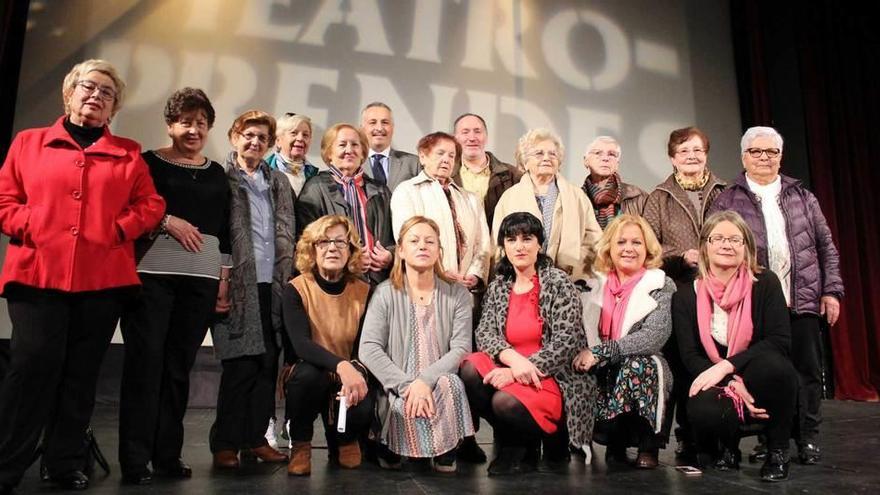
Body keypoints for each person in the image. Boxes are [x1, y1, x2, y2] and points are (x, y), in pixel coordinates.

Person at [0, 59, 165, 492]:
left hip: (102, 282)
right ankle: (6, 466)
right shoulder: (29, 142)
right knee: (31, 368)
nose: (95, 96)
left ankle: (64, 461)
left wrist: (118, 229)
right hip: (37, 275)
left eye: (106, 93)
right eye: (88, 87)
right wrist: (33, 224)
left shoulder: (128, 152)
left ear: (114, 108)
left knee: (81, 374)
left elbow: (151, 204)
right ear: (69, 93)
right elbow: (5, 199)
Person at [709, 126, 844, 465]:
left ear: (780, 156)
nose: (765, 158)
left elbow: (826, 247)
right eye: (756, 152)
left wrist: (831, 291)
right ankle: (771, 437)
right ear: (744, 157)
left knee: (808, 373)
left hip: (804, 300)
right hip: (754, 304)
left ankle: (808, 438)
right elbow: (715, 249)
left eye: (771, 152)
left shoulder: (802, 196)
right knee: (765, 372)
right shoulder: (728, 199)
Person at [118, 88, 230, 484]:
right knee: (144, 366)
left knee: (178, 370)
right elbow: (131, 208)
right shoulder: (148, 163)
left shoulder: (217, 172)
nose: (194, 129)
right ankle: (135, 459)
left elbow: (226, 232)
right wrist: (167, 220)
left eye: (201, 123)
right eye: (186, 121)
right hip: (152, 277)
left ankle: (167, 455)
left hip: (199, 282)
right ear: (170, 124)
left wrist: (223, 277)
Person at [461, 212, 596, 475]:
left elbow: (566, 343)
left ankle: (536, 441)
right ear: (504, 246)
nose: (519, 246)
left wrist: (516, 371)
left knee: (504, 402)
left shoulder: (558, 283)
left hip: (551, 376)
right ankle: (517, 441)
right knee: (468, 370)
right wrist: (511, 360)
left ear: (539, 244)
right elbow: (486, 332)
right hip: (511, 364)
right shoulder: (500, 284)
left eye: (527, 238)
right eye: (511, 239)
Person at [672, 211, 799, 482]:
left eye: (734, 239)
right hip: (719, 376)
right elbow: (690, 355)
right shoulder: (685, 295)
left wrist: (729, 368)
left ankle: (778, 450)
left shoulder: (765, 283)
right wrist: (731, 382)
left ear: (746, 248)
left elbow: (778, 341)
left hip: (758, 373)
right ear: (705, 246)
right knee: (702, 406)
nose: (726, 245)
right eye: (718, 238)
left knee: (777, 369)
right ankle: (725, 447)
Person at [210, 110, 295, 469]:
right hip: (235, 283)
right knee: (239, 366)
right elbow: (216, 233)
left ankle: (255, 438)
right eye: (248, 135)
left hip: (272, 285)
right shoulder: (222, 179)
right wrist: (222, 280)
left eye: (262, 137)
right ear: (234, 136)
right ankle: (226, 442)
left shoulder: (278, 181)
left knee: (265, 365)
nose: (254, 142)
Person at [359, 216, 474, 473]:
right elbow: (369, 348)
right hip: (400, 386)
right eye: (414, 240)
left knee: (451, 383)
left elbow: (461, 348)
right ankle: (395, 446)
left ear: (438, 250)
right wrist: (408, 385)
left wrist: (426, 381)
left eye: (429, 241)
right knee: (398, 406)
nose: (422, 246)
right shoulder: (385, 293)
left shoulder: (457, 293)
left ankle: (445, 448)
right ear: (400, 249)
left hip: (438, 383)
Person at [642, 126, 725, 458]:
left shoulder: (727, 192)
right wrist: (680, 257)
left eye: (697, 150)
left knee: (714, 358)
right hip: (678, 290)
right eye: (684, 151)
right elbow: (648, 250)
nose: (691, 156)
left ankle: (714, 433)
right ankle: (683, 436)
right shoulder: (658, 197)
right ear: (672, 158)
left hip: (721, 290)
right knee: (680, 361)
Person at [576, 214, 676, 469]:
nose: (629, 249)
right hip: (602, 367)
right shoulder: (591, 286)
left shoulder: (661, 284)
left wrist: (603, 351)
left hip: (643, 363)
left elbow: (654, 336)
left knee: (639, 365)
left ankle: (648, 445)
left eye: (636, 243)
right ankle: (613, 441)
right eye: (621, 242)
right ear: (609, 247)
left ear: (647, 249)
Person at [282, 215, 374, 476]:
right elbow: (301, 344)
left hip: (348, 373)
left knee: (362, 385)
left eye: (340, 242)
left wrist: (351, 369)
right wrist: (341, 365)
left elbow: (365, 346)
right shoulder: (296, 289)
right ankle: (300, 444)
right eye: (324, 242)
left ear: (351, 250)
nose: (332, 248)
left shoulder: (364, 291)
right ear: (312, 249)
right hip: (310, 371)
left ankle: (345, 440)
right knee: (308, 376)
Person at [492, 128, 601, 282]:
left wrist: (575, 270)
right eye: (539, 154)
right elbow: (498, 245)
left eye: (552, 154)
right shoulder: (509, 197)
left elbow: (594, 240)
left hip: (569, 281)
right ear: (525, 161)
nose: (547, 158)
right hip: (520, 281)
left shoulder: (576, 196)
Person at [391, 131, 491, 291]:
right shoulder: (407, 191)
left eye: (452, 156)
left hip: (465, 291)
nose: (446, 159)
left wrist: (475, 275)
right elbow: (407, 241)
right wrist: (440, 272)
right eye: (440, 153)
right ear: (423, 157)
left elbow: (482, 244)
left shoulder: (470, 199)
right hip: (426, 287)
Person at [296, 123, 394, 285]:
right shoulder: (314, 189)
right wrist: (351, 259)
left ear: (363, 152)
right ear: (329, 153)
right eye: (342, 145)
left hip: (379, 283)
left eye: (355, 145)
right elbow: (307, 243)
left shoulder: (381, 190)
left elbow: (395, 236)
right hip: (336, 283)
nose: (349, 150)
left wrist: (390, 255)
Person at [451, 113, 522, 224]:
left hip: (498, 241)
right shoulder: (445, 176)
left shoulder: (512, 175)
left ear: (486, 136)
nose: (472, 138)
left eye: (477, 131)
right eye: (465, 132)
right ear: (455, 139)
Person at [580, 136, 648, 229]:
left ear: (617, 164)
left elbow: (650, 237)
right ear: (586, 161)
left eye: (611, 154)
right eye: (598, 153)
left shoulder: (639, 197)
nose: (605, 158)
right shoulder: (576, 199)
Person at [360, 102, 421, 192]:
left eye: (385, 122)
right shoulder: (353, 164)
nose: (379, 128)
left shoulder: (414, 163)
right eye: (373, 122)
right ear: (362, 128)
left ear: (392, 127)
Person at [266, 112, 319, 197]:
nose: (300, 138)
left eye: (305, 135)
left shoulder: (315, 176)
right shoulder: (264, 171)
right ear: (278, 140)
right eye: (293, 133)